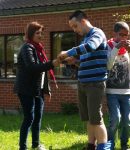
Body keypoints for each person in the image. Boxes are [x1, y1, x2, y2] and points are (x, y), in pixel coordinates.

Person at [58, 10, 111, 150]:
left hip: (95, 83)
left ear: (83, 21)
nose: (74, 30)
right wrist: (74, 61)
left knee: (96, 119)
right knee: (89, 118)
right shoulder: (85, 39)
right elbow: (87, 59)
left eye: (75, 26)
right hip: (83, 83)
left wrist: (68, 52)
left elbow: (90, 47)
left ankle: (102, 147)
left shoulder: (97, 34)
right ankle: (90, 145)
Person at [14, 21, 59, 150]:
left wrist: (47, 89)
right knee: (29, 117)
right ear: (30, 34)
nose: (40, 35)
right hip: (26, 88)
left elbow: (43, 72)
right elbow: (33, 68)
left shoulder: (39, 48)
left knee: (38, 117)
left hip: (37, 89)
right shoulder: (27, 48)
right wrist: (52, 63)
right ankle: (22, 147)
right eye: (37, 33)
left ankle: (36, 143)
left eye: (41, 32)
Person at [106, 21, 130, 150]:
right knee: (115, 119)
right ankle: (110, 144)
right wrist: (116, 48)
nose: (124, 38)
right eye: (121, 34)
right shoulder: (108, 46)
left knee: (126, 121)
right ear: (114, 33)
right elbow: (108, 66)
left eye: (126, 35)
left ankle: (124, 144)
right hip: (112, 91)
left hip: (127, 92)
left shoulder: (129, 48)